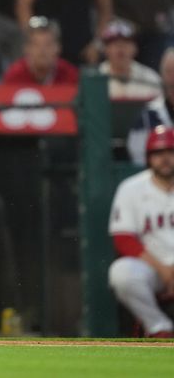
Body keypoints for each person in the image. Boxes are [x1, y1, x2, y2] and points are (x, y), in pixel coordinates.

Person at [108, 126, 174, 338]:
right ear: (148, 158)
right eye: (158, 153)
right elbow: (123, 239)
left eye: (170, 152)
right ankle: (159, 328)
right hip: (154, 268)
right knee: (122, 272)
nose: (165, 158)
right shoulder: (131, 188)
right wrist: (164, 271)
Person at [127, 49, 174, 166]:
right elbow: (137, 155)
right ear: (162, 76)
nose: (173, 78)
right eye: (169, 72)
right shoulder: (148, 115)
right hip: (158, 176)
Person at [2, 17, 79, 86]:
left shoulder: (71, 75)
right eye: (36, 45)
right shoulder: (14, 76)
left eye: (48, 44)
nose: (42, 50)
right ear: (26, 49)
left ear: (58, 48)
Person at [98, 19, 162, 101]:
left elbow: (158, 110)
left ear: (135, 48)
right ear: (105, 49)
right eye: (114, 43)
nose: (120, 47)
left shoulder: (150, 77)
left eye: (126, 42)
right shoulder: (96, 78)